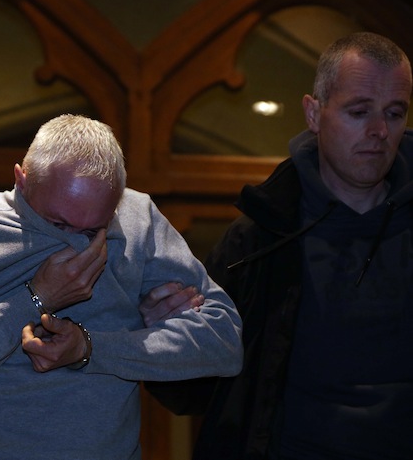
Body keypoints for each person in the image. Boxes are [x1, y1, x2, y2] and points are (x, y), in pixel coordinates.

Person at [0, 114, 243, 460]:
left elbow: (224, 342)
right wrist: (37, 297)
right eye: (57, 223)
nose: (76, 248)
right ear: (22, 179)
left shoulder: (138, 220)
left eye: (94, 230)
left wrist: (91, 348)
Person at [146, 32, 413, 459]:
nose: (380, 131)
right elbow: (196, 394)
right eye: (359, 111)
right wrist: (164, 336)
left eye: (395, 113)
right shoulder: (259, 238)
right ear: (313, 112)